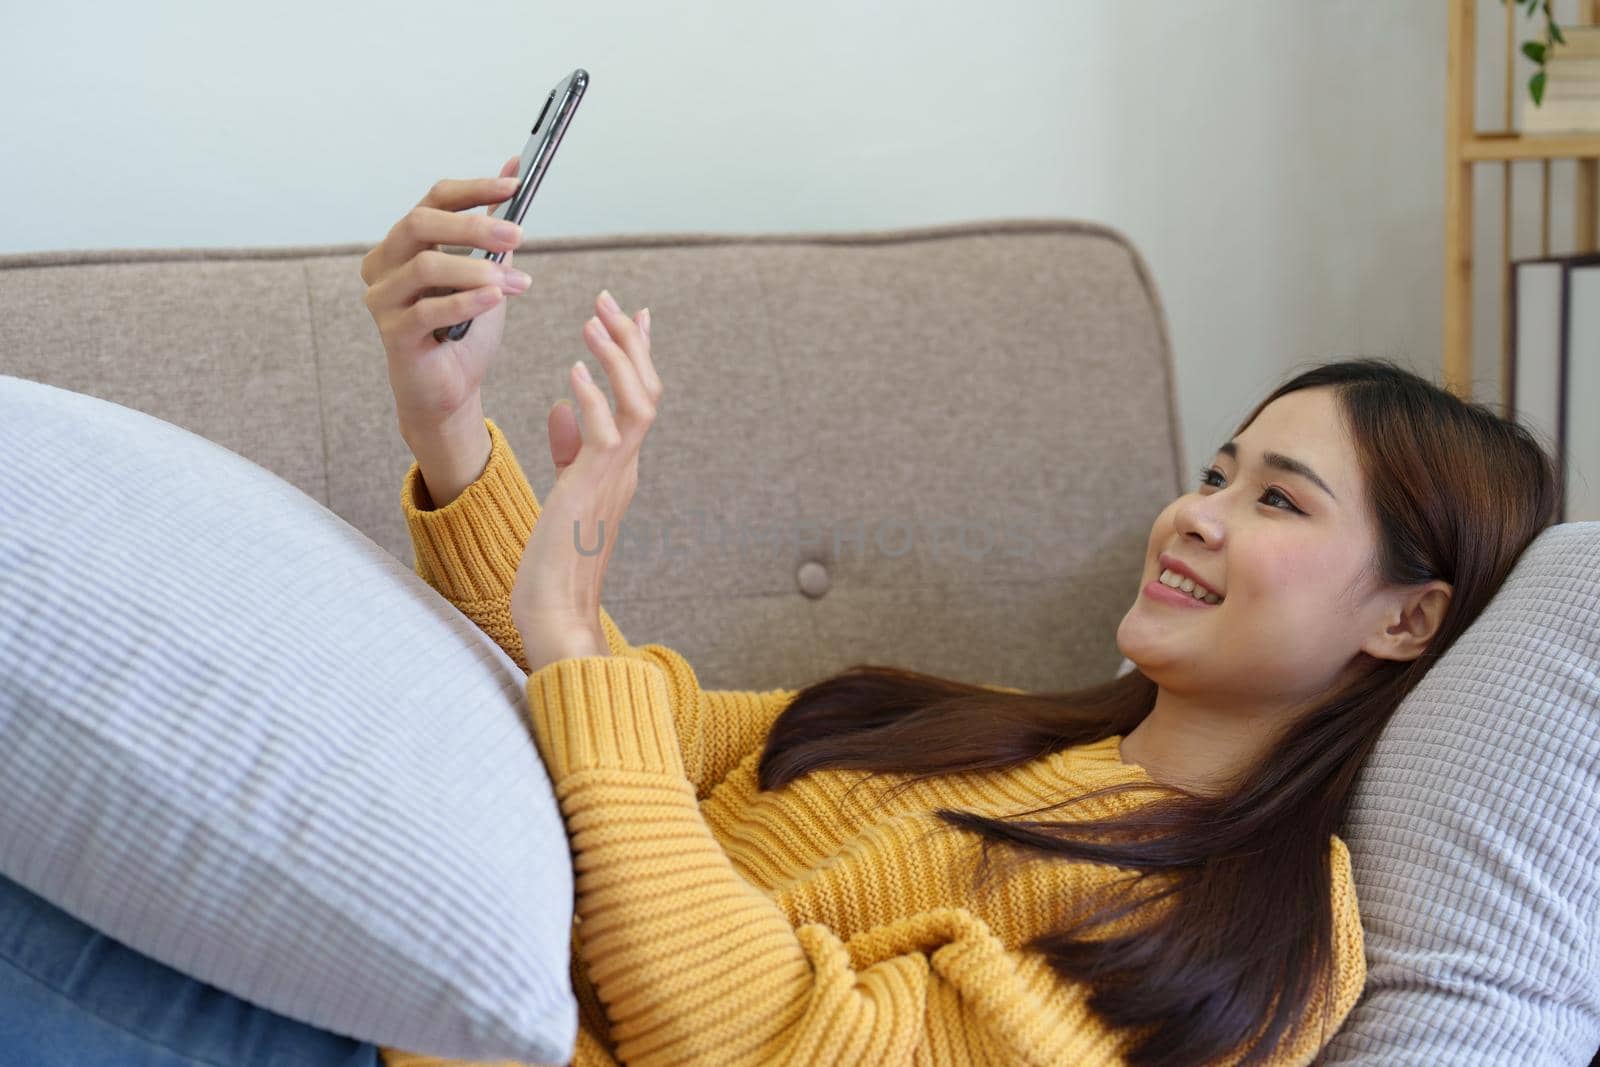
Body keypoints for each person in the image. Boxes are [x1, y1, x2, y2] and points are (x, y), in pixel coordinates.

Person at [359, 165, 1560, 1067]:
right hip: (388, 966)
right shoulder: (971, 725)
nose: (1193, 515)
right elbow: (634, 741)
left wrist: (571, 627)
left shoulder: (1259, 943)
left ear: (1407, 621)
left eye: (1278, 500)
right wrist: (450, 425)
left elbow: (779, 1041)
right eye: (1214, 473)